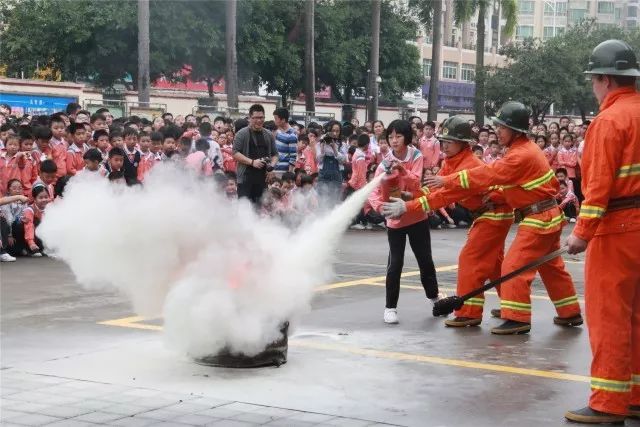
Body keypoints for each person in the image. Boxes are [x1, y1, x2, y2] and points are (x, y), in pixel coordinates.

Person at [418, 101, 582, 335]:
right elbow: (513, 183)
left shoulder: (520, 155)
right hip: (546, 215)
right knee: (551, 268)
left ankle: (517, 319)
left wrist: (448, 181)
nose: (497, 131)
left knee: (513, 265)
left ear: (515, 130)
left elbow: (490, 174)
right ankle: (570, 313)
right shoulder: (522, 150)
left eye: (502, 127)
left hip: (539, 217)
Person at [565, 39, 640, 425]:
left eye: (593, 80)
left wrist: (582, 232)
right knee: (638, 316)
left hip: (618, 229)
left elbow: (597, 187)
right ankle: (636, 396)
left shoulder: (609, 121)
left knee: (610, 315)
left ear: (605, 80)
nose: (593, 88)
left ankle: (609, 403)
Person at [383, 117, 514, 327]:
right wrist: (411, 197)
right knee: (494, 266)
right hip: (489, 214)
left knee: (470, 260)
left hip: (494, 214)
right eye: (442, 141)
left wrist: (407, 207)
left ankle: (468, 313)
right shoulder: (451, 161)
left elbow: (442, 197)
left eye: (449, 141)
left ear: (463, 143)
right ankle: (512, 307)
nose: (443, 146)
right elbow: (433, 189)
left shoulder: (469, 164)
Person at [367, 119, 441, 324]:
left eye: (398, 136)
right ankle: (390, 307)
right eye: (390, 137)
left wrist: (402, 171)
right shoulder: (384, 164)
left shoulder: (416, 156)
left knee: (425, 260)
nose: (394, 140)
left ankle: (435, 298)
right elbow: (373, 190)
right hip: (395, 220)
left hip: (416, 215)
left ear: (407, 138)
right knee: (395, 264)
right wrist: (381, 208)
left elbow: (416, 182)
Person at [232, 104, 278, 205]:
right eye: (256, 118)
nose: (259, 120)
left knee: (260, 208)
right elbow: (235, 153)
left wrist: (271, 167)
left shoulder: (269, 134)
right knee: (244, 208)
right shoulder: (241, 134)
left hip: (262, 179)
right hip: (245, 178)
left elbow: (275, 155)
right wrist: (252, 162)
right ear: (249, 118)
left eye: (261, 117)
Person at [316, 120, 346, 203]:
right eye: (333, 131)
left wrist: (335, 148)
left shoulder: (342, 144)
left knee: (334, 199)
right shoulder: (321, 143)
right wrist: (322, 149)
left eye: (337, 131)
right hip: (323, 174)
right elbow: (318, 160)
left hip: (337, 175)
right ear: (328, 131)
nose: (335, 133)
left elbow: (344, 161)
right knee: (321, 198)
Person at [273, 107, 297, 173]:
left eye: (276, 119)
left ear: (283, 120)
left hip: (283, 170)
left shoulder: (292, 135)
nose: (274, 121)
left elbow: (293, 156)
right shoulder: (277, 131)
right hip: (274, 167)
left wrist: (289, 173)